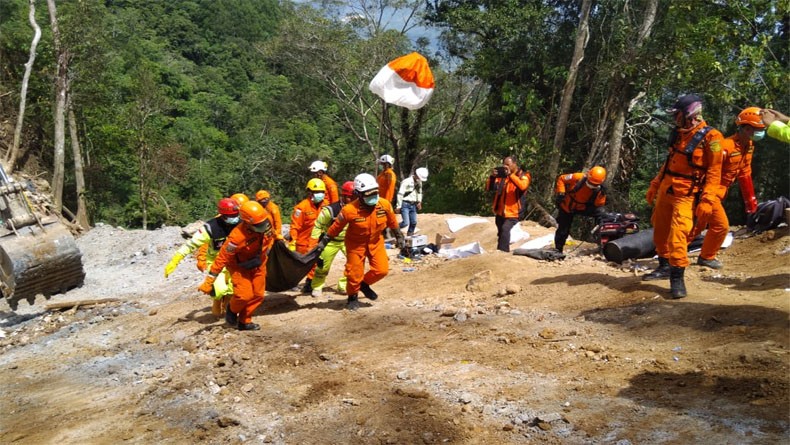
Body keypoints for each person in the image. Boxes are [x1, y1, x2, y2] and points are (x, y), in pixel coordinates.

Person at [644, 94, 723, 299]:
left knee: (678, 235)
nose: (674, 119)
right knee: (660, 231)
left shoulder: (711, 138)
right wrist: (655, 184)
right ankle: (664, 266)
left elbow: (715, 172)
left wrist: (707, 200)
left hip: (686, 195)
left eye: (677, 114)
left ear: (689, 114)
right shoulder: (678, 134)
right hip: (667, 189)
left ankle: (677, 277)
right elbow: (669, 161)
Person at [693, 107, 765, 269]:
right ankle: (706, 257)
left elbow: (745, 173)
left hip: (721, 192)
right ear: (747, 129)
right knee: (721, 226)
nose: (762, 133)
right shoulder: (725, 146)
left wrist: (751, 202)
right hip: (709, 191)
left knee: (699, 226)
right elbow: (708, 169)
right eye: (759, 130)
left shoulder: (750, 146)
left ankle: (672, 254)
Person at [327, 173, 405, 311]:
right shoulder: (349, 210)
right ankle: (352, 297)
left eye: (375, 193)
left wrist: (399, 237)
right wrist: (323, 243)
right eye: (368, 194)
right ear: (358, 194)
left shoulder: (384, 205)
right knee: (354, 273)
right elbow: (335, 227)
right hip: (355, 245)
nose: (372, 197)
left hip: (376, 242)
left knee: (382, 270)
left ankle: (363, 284)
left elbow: (393, 222)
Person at [199, 201, 276, 331]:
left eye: (263, 223)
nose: (262, 226)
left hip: (259, 263)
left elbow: (271, 237)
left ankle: (245, 321)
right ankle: (232, 309)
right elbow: (222, 257)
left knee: (258, 295)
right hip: (239, 267)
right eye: (258, 225)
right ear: (247, 223)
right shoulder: (236, 237)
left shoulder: (265, 222)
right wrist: (209, 280)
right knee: (244, 295)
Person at [164, 197, 240, 317]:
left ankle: (228, 309)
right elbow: (191, 245)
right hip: (216, 262)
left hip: (234, 261)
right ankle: (217, 301)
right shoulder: (210, 228)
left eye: (237, 215)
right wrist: (176, 259)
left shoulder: (241, 223)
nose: (235, 218)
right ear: (223, 215)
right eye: (232, 216)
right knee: (219, 290)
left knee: (234, 288)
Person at [309, 181, 355, 298]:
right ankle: (317, 286)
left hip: (348, 241)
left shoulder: (357, 208)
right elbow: (318, 226)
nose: (354, 199)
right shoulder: (330, 210)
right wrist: (313, 245)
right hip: (330, 241)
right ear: (344, 196)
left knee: (354, 264)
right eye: (351, 197)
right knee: (322, 266)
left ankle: (343, 285)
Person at [553, 166, 607, 254]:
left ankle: (603, 243)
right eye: (590, 182)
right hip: (568, 206)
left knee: (602, 215)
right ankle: (558, 250)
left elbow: (599, 205)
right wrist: (561, 192)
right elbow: (562, 179)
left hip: (583, 208)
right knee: (563, 229)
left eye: (594, 184)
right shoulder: (577, 177)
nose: (591, 185)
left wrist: (600, 219)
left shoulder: (600, 191)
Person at [485, 156, 531, 252]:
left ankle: (502, 253)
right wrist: (492, 177)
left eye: (508, 165)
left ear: (514, 164)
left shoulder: (523, 175)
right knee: (501, 232)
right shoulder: (502, 176)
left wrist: (510, 175)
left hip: (514, 212)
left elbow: (523, 186)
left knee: (505, 229)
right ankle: (500, 252)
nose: (506, 167)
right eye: (504, 165)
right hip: (500, 211)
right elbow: (489, 188)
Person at [289, 178, 326, 293]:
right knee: (299, 265)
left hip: (317, 241)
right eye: (316, 192)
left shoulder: (325, 206)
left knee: (315, 264)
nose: (319, 194)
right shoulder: (301, 207)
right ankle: (292, 282)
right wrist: (292, 242)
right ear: (309, 193)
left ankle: (309, 284)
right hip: (303, 242)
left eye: (321, 192)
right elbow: (295, 226)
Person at [396, 167, 428, 236]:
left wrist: (419, 202)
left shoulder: (419, 183)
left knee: (413, 222)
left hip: (413, 204)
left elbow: (420, 192)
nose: (419, 179)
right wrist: (398, 206)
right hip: (405, 204)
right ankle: (393, 229)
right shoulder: (406, 181)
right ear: (415, 174)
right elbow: (400, 194)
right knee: (405, 223)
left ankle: (410, 235)